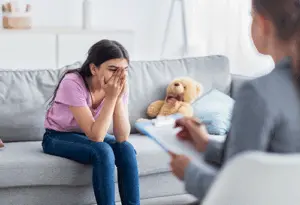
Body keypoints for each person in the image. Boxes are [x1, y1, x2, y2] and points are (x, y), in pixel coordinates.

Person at [169, 0, 300, 201]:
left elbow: (237, 193)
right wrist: (206, 144)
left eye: (251, 17)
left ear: (263, 24)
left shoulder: (257, 93)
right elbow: (268, 160)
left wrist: (189, 172)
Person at [42, 39, 140, 205]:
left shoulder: (119, 84)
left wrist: (116, 97)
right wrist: (111, 97)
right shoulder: (72, 83)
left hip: (87, 136)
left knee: (127, 149)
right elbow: (96, 137)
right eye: (113, 69)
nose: (120, 76)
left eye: (124, 70)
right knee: (102, 150)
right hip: (57, 136)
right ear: (94, 68)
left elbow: (122, 137)